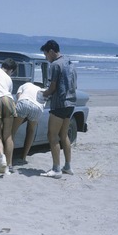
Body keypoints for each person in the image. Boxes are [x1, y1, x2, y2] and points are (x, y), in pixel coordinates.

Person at [39, 40, 77, 179]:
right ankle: (67, 166)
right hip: (71, 102)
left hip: (60, 104)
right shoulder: (69, 62)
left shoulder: (55, 65)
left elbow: (53, 87)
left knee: (52, 135)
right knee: (64, 134)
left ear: (51, 51)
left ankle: (56, 169)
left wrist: (43, 94)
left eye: (45, 55)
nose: (46, 58)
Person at [12, 82, 44, 163]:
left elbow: (19, 97)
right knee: (31, 131)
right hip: (37, 108)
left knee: (12, 132)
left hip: (24, 102)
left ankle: (8, 157)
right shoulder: (41, 90)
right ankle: (23, 157)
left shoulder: (24, 85)